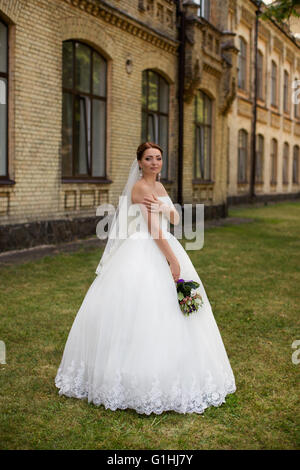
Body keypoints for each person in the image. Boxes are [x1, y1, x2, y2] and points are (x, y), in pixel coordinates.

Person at [55, 142, 236, 415]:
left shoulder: (161, 188)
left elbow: (174, 219)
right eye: (149, 158)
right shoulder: (139, 187)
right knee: (140, 309)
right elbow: (153, 230)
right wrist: (172, 259)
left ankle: (175, 369)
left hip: (166, 242)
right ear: (139, 162)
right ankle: (129, 376)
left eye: (158, 158)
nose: (154, 163)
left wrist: (165, 210)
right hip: (146, 248)